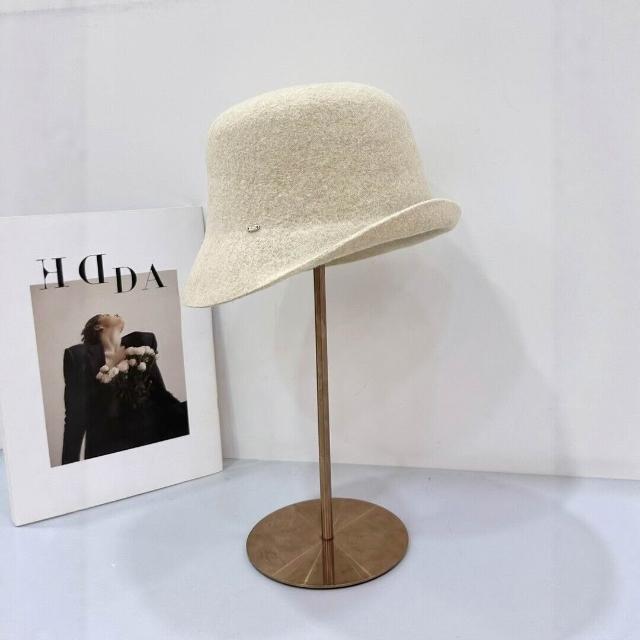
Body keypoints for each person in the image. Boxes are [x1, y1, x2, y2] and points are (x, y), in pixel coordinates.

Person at [61, 313, 188, 465]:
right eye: (108, 314)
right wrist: (69, 468)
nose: (116, 314)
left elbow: (160, 394)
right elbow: (75, 417)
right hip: (111, 447)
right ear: (98, 326)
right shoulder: (78, 356)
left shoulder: (140, 344)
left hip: (152, 436)